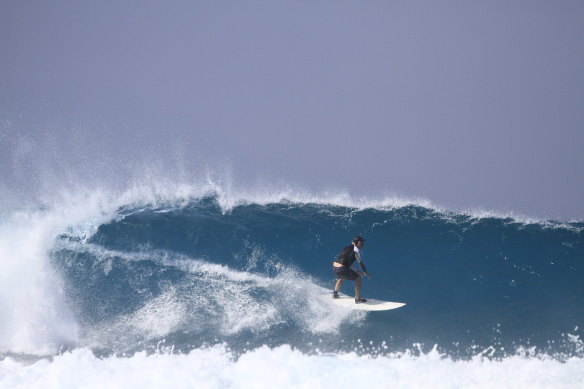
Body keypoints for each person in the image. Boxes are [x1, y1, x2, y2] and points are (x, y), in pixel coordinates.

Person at [332, 236, 371, 303]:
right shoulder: (356, 250)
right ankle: (357, 299)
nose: (362, 245)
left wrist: (356, 271)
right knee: (358, 278)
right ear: (356, 243)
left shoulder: (347, 248)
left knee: (341, 277)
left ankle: (335, 294)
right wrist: (365, 272)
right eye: (361, 243)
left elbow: (347, 262)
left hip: (334, 267)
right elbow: (360, 263)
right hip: (341, 269)